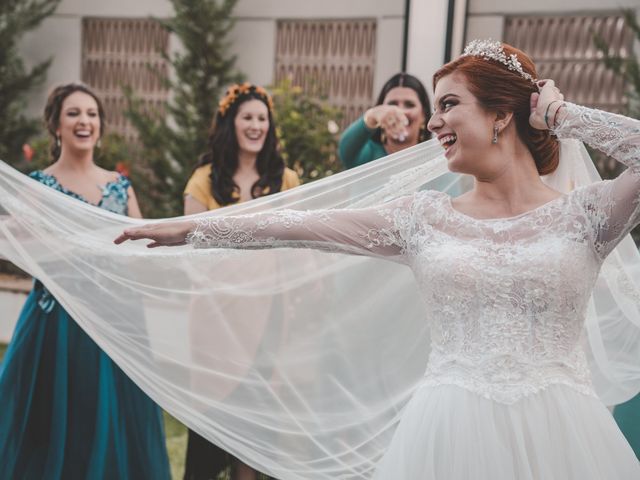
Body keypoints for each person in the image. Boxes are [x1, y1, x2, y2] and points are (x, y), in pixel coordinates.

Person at [115, 41, 640, 478]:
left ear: (503, 114)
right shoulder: (423, 217)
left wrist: (562, 115)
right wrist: (194, 227)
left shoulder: (585, 214)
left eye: (448, 105)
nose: (431, 123)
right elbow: (297, 224)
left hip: (564, 437)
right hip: (447, 437)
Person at [0, 83, 170, 479]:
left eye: (92, 114)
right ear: (56, 126)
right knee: (57, 425)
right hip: (57, 325)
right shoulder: (38, 188)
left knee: (112, 425)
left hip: (117, 322)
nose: (85, 121)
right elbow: (21, 248)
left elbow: (139, 253)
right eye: (74, 113)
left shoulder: (119, 187)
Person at [182, 82, 299, 480]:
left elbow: (295, 253)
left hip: (269, 317)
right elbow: (192, 254)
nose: (255, 125)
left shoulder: (286, 182)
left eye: (262, 118)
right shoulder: (203, 181)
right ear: (230, 124)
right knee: (208, 430)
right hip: (216, 320)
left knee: (252, 433)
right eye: (247, 117)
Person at [338, 72, 431, 169]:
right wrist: (371, 116)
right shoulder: (368, 157)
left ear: (423, 115)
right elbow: (346, 150)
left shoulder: (435, 160)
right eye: (392, 104)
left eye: (409, 104)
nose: (399, 111)